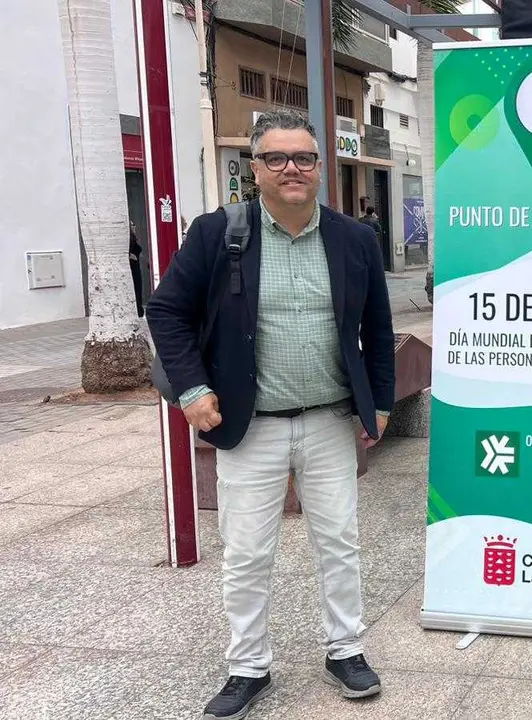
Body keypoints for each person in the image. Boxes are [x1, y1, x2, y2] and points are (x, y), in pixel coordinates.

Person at [147, 110, 396, 719]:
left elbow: (378, 330)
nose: (293, 168)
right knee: (248, 550)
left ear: (321, 168)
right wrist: (190, 390)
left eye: (305, 158)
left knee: (338, 541)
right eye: (277, 158)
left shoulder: (354, 240)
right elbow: (167, 312)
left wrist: (382, 402)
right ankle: (247, 667)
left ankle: (345, 649)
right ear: (254, 169)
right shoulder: (216, 234)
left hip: (330, 420)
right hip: (249, 423)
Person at [128, 222, 145, 317]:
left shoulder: (133, 238)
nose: (135, 226)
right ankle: (138, 310)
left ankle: (139, 309)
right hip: (133, 269)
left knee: (138, 289)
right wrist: (130, 256)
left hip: (136, 267)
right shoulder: (129, 240)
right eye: (132, 225)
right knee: (136, 289)